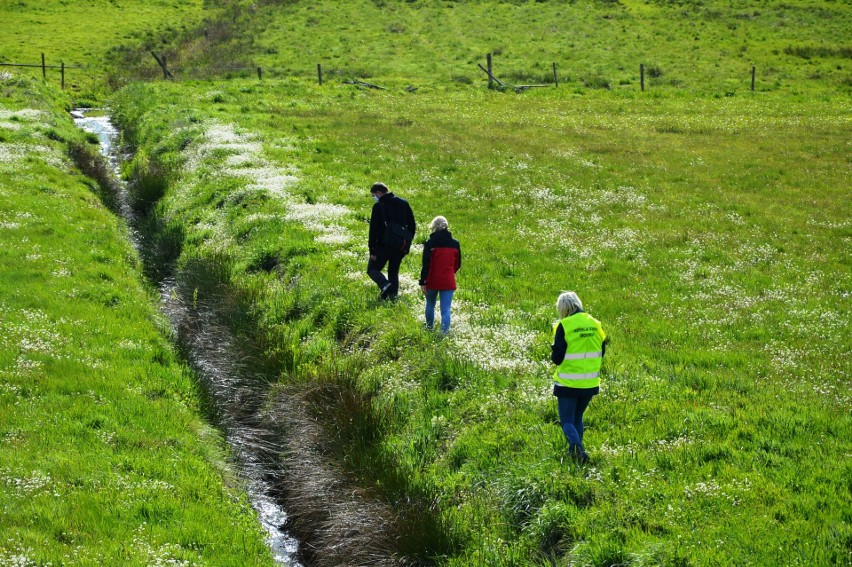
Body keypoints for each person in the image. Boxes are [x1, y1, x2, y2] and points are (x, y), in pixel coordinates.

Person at [550, 291, 607, 463]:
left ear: (562, 308)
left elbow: (557, 358)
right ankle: (573, 453)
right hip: (590, 382)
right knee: (577, 417)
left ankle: (579, 450)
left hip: (568, 382)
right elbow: (602, 350)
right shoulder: (595, 324)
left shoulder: (565, 325)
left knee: (567, 420)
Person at [367, 182, 416, 300]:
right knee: (393, 271)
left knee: (372, 269)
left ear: (379, 193)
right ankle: (392, 296)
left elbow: (373, 229)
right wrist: (406, 241)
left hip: (382, 246)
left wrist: (372, 250)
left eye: (373, 195)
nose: (374, 198)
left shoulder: (379, 206)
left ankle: (385, 285)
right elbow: (412, 225)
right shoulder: (403, 203)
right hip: (399, 245)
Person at [419, 216, 461, 333]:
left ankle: (429, 328)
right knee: (446, 309)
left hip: (432, 279)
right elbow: (457, 263)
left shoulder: (429, 243)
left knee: (430, 304)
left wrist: (423, 281)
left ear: (433, 227)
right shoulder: (455, 244)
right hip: (448, 280)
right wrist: (450, 273)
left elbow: (426, 264)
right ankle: (444, 332)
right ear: (446, 226)